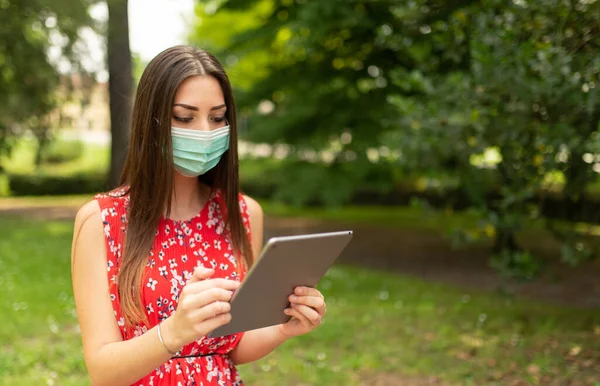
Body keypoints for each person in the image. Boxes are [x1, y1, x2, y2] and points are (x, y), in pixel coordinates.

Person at [70, 45, 327, 386]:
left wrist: (281, 328)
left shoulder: (243, 214)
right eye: (184, 117)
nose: (205, 132)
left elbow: (232, 347)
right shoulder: (101, 221)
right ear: (152, 121)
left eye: (217, 117)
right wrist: (173, 332)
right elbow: (102, 371)